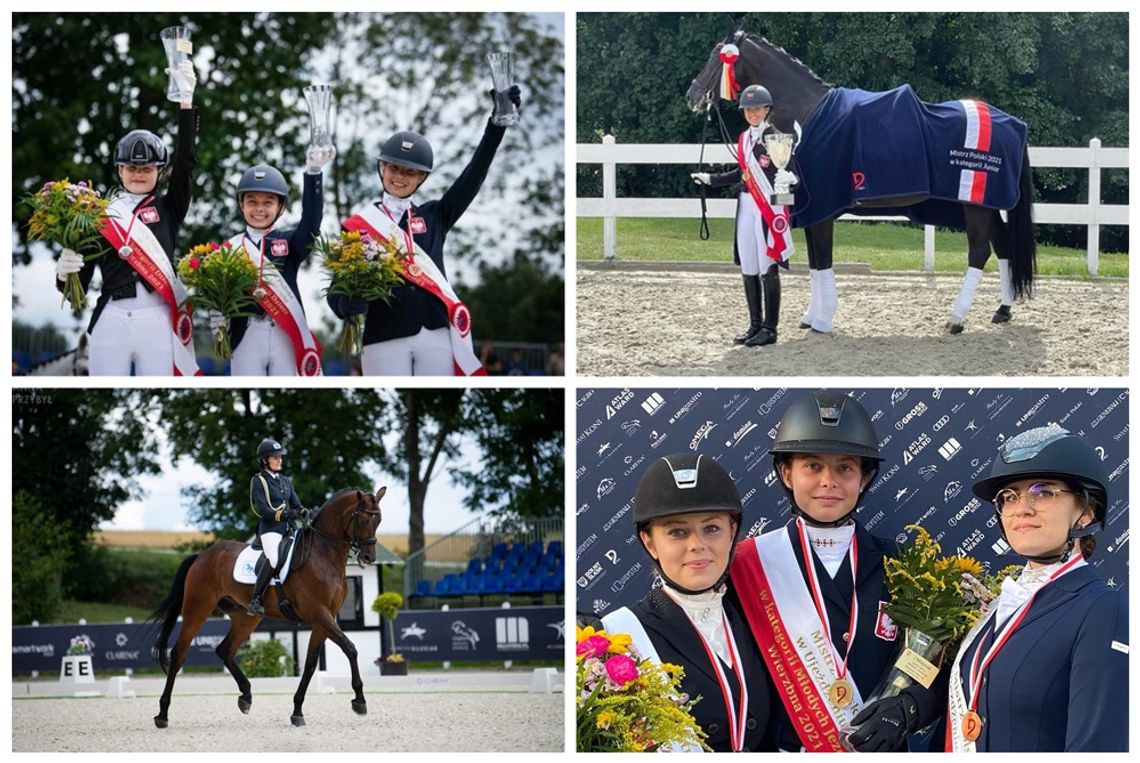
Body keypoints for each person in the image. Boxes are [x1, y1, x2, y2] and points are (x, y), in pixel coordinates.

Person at [729, 390, 945, 752]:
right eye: (812, 466)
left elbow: (936, 670)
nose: (828, 481)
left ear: (863, 479)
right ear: (786, 473)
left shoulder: (907, 567)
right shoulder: (744, 567)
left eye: (845, 468)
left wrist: (907, 709)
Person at [943, 425, 1127, 752]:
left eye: (1043, 491)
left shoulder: (1103, 610)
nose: (1021, 508)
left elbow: (1097, 748)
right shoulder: (1003, 604)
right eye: (1009, 496)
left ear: (1085, 512)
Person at [330, 86, 521, 376]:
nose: (399, 177)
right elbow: (337, 289)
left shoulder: (435, 215)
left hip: (435, 333)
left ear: (421, 177)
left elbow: (473, 174)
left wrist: (496, 125)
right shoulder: (359, 227)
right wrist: (346, 304)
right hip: (384, 334)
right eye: (394, 168)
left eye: (409, 172)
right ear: (382, 169)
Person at [597, 453, 771, 751]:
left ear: (732, 532)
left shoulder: (760, 616)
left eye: (711, 528)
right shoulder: (621, 637)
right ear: (650, 542)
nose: (696, 545)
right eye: (677, 532)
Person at [55, 60, 200, 376]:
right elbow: (78, 284)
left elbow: (186, 162)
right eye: (132, 168)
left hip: (158, 316)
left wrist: (187, 105)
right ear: (120, 170)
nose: (138, 174)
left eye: (147, 168)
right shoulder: (97, 215)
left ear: (159, 172)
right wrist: (65, 270)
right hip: (112, 315)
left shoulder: (169, 208)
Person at [216, 146, 334, 377]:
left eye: (268, 202)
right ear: (242, 204)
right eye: (252, 201)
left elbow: (311, 224)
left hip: (285, 333)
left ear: (280, 207)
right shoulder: (229, 248)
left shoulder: (289, 242)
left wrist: (313, 173)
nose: (259, 209)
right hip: (245, 333)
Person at [691, 84, 793, 348]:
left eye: (757, 108)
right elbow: (742, 174)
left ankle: (770, 329)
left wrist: (784, 196)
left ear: (766, 109)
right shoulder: (744, 138)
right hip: (746, 206)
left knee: (767, 267)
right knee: (749, 265)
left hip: (767, 210)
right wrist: (711, 179)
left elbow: (792, 183)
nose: (752, 113)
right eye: (748, 109)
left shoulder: (777, 138)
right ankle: (755, 325)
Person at [247, 438, 308, 615]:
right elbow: (263, 510)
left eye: (280, 457)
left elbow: (296, 503)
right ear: (265, 460)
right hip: (270, 530)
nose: (279, 460)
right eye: (275, 457)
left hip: (288, 528)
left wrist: (304, 511)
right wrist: (286, 514)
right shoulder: (259, 481)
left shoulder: (286, 481)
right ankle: (255, 599)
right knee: (273, 559)